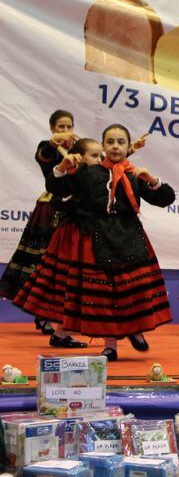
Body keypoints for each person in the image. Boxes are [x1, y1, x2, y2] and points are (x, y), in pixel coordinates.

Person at [31, 124, 175, 361]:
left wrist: (153, 180)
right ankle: (111, 345)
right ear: (104, 146)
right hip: (99, 238)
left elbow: (165, 199)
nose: (115, 146)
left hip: (131, 237)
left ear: (128, 147)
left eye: (120, 142)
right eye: (110, 142)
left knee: (132, 289)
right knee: (106, 294)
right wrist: (61, 167)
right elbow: (57, 187)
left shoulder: (134, 174)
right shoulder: (90, 173)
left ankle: (135, 329)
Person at [14, 138, 103, 349]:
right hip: (72, 238)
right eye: (95, 155)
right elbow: (56, 189)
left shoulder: (98, 176)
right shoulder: (71, 176)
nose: (100, 159)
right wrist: (62, 167)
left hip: (88, 237)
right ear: (80, 157)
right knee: (69, 285)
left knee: (78, 288)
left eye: (101, 155)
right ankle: (61, 332)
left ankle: (62, 332)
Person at [1, 110, 77, 335]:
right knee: (43, 262)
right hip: (50, 209)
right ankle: (41, 313)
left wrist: (129, 150)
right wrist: (54, 144)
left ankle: (58, 316)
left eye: (68, 126)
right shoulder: (47, 146)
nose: (65, 131)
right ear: (52, 128)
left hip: (73, 210)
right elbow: (43, 156)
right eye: (61, 127)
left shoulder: (78, 148)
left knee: (65, 266)